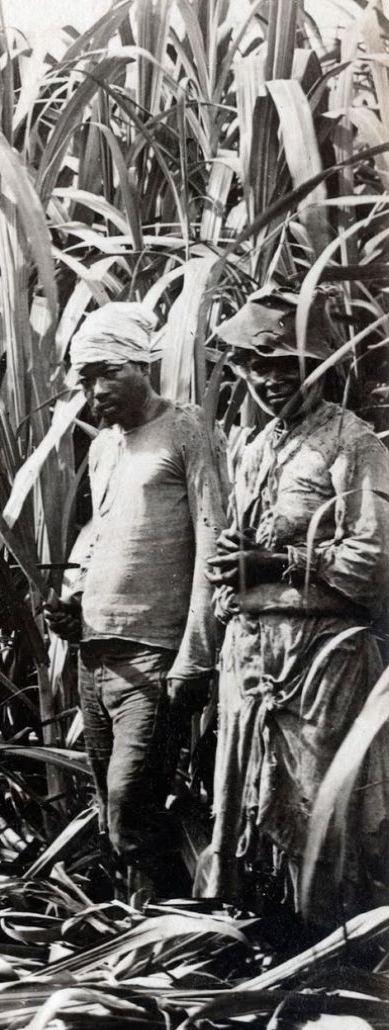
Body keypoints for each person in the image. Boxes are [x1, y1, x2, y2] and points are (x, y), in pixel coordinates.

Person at [202, 286, 389, 931]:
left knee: (315, 801)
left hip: (319, 659)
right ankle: (266, 938)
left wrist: (277, 564)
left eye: (289, 365)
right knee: (251, 798)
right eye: (258, 365)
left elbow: (371, 561)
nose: (270, 378)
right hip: (250, 653)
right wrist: (236, 560)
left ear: (326, 366)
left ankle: (330, 942)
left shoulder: (352, 440)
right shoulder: (253, 445)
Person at [43, 303, 225, 899]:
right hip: (95, 651)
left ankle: (163, 930)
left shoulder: (188, 429)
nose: (93, 393)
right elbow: (98, 532)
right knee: (111, 804)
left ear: (143, 365)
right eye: (84, 379)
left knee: (130, 799)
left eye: (105, 374)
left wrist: (196, 656)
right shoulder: (105, 448)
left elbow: (212, 543)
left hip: (154, 653)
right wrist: (73, 597)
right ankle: (135, 926)